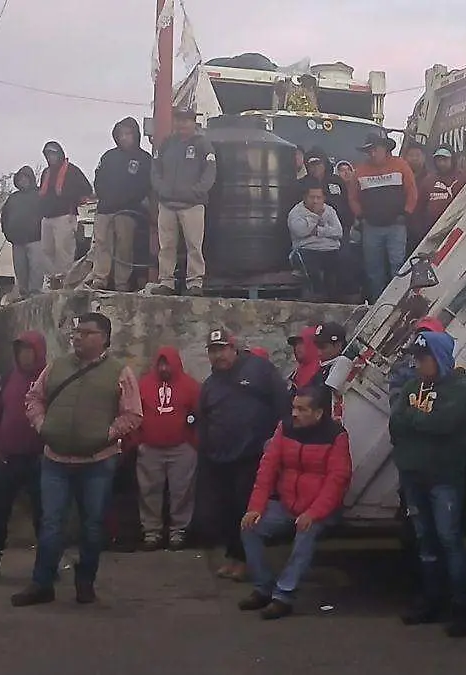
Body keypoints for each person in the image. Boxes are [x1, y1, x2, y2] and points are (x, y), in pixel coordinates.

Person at [12, 313, 143, 607]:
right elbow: (33, 398)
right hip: (55, 461)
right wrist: (42, 425)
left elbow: (133, 414)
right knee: (50, 523)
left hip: (97, 462)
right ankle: (42, 583)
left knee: (92, 525)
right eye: (76, 332)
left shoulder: (119, 372)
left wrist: (105, 434)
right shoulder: (56, 367)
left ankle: (85, 583)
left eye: (86, 332)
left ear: (104, 338)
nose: (78, 337)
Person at [390, 330, 466, 638]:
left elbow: (444, 424)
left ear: (439, 358)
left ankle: (461, 607)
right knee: (425, 540)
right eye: (416, 357)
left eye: (423, 357)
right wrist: (418, 421)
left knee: (449, 540)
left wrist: (414, 419)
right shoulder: (413, 385)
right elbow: (395, 422)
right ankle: (431, 600)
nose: (417, 363)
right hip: (413, 476)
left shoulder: (461, 390)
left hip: (444, 479)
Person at [239, 386, 352, 620]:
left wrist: (313, 513)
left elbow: (337, 480)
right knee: (249, 527)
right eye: (294, 407)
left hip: (320, 509)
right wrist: (255, 508)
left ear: (319, 413)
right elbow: (267, 469)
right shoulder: (285, 428)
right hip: (288, 504)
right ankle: (263, 588)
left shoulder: (336, 436)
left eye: (301, 409)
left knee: (306, 534)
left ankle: (284, 596)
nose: (295, 414)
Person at [197, 328, 290, 581]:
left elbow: (282, 403)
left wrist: (277, 441)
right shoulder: (210, 384)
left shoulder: (259, 369)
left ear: (233, 347)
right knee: (224, 510)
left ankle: (247, 561)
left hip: (251, 457)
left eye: (222, 349)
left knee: (245, 509)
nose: (218, 356)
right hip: (219, 458)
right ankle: (232, 556)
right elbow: (203, 419)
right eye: (213, 351)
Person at [0, 331, 47, 582]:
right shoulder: (5, 379)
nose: (25, 356)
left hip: (40, 459)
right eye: (21, 350)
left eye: (30, 350)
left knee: (45, 518)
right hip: (7, 458)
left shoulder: (50, 379)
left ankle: (47, 567)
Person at [135, 346, 200, 551]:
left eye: (168, 363)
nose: (164, 367)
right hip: (150, 448)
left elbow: (200, 415)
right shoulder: (143, 385)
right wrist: (138, 441)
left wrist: (193, 442)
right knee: (148, 490)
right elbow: (134, 412)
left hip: (182, 448)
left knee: (182, 490)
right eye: (161, 363)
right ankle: (151, 531)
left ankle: (178, 531)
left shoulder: (191, 386)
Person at [148, 107, 217, 296]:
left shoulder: (203, 144)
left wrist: (196, 192)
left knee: (194, 245)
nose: (182, 124)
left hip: (192, 205)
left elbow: (210, 173)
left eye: (186, 120)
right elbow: (155, 169)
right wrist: (161, 189)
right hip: (167, 204)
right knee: (167, 245)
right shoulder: (167, 144)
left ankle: (195, 283)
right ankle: (166, 282)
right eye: (179, 120)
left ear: (194, 122)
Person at [348, 134, 417, 300]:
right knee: (373, 269)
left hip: (396, 226)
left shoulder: (400, 165)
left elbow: (412, 192)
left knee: (398, 266)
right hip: (371, 227)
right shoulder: (360, 171)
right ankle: (377, 303)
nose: (372, 154)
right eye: (369, 151)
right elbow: (352, 197)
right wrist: (361, 216)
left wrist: (406, 213)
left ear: (385, 149)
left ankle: (397, 302)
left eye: (375, 150)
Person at [90, 117, 152, 291]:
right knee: (102, 244)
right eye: (121, 134)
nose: (124, 138)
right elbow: (98, 180)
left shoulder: (144, 158)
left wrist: (127, 200)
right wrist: (105, 197)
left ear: (135, 135)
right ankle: (100, 279)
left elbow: (144, 186)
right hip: (105, 210)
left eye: (128, 134)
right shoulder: (109, 156)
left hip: (128, 210)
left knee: (124, 247)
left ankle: (121, 282)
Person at [37, 141, 93, 285]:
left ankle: (66, 280)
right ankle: (52, 280)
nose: (51, 157)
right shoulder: (46, 173)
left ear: (60, 154)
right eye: (48, 154)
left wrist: (70, 197)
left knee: (64, 249)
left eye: (53, 154)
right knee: (46, 250)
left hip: (65, 216)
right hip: (47, 217)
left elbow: (87, 189)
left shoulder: (72, 170)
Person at [288, 181, 343, 301]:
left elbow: (338, 232)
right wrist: (315, 216)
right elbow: (301, 232)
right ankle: (317, 301)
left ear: (323, 198)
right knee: (313, 273)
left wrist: (317, 231)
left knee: (345, 268)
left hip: (330, 249)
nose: (315, 201)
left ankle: (338, 302)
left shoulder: (330, 211)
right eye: (312, 197)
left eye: (319, 197)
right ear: (305, 197)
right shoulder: (296, 212)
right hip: (306, 250)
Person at [0, 166, 46, 298]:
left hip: (36, 239)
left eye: (25, 178)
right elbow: (4, 217)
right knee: (20, 270)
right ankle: (24, 293)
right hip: (17, 241)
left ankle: (35, 292)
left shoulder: (39, 194)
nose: (23, 181)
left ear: (31, 179)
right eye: (20, 179)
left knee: (36, 268)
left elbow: (47, 213)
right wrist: (7, 233)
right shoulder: (12, 198)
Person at [409, 145, 465, 252]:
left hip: (454, 230)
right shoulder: (428, 181)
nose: (442, 163)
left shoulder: (461, 178)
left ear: (452, 160)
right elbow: (418, 208)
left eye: (445, 159)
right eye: (439, 160)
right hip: (431, 232)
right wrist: (420, 231)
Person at [311, 322, 353, 422]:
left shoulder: (342, 362)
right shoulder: (325, 364)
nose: (318, 351)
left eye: (323, 347)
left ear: (338, 345)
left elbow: (324, 392)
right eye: (317, 346)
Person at [287, 326, 321, 399]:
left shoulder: (322, 369)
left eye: (302, 343)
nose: (297, 347)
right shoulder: (296, 372)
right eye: (296, 344)